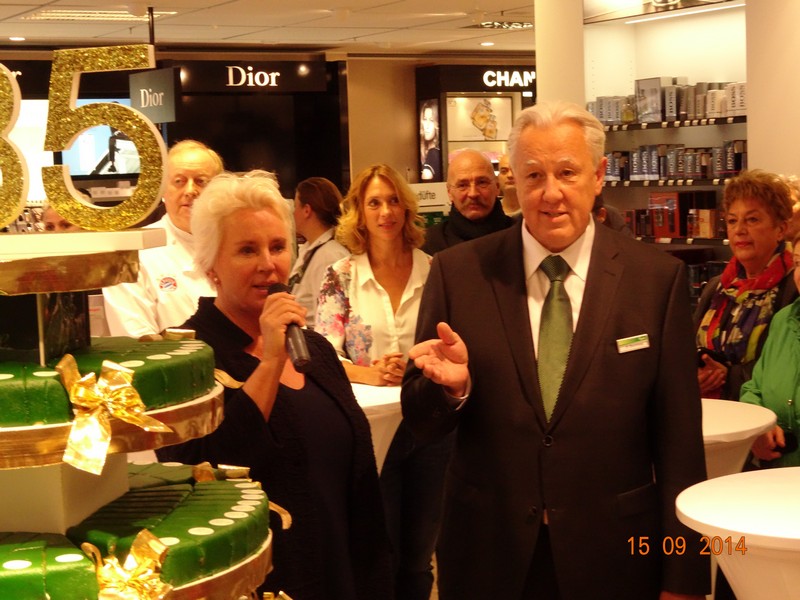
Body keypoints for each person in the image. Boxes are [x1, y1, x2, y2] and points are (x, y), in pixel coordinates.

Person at [402, 100, 709, 600]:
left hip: (617, 555)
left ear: (599, 175)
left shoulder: (656, 280)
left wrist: (685, 577)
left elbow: (678, 444)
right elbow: (420, 421)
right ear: (512, 183)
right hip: (488, 553)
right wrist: (452, 391)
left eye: (567, 172)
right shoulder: (458, 274)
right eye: (534, 175)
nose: (551, 194)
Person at [155, 170, 392, 599]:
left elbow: (354, 480)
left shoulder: (315, 350)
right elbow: (204, 477)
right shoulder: (188, 361)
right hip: (265, 583)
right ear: (211, 268)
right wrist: (268, 362)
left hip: (344, 573)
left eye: (278, 246)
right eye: (247, 250)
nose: (269, 264)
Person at [314, 164, 434, 600]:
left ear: (406, 207)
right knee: (382, 547)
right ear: (359, 214)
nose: (386, 211)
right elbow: (321, 355)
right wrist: (370, 372)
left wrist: (420, 365)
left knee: (420, 555)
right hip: (368, 431)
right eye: (374, 203)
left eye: (393, 200)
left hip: (429, 426)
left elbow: (452, 341)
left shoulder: (437, 271)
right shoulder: (340, 276)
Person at [103, 140, 224, 337]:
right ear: (162, 190)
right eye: (179, 181)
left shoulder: (238, 245)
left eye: (201, 181)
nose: (190, 191)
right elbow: (138, 341)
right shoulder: (131, 254)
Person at [694, 169, 796, 400]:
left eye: (752, 219)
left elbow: (789, 367)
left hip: (767, 424)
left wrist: (727, 377)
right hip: (711, 415)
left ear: (780, 229)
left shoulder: (793, 288)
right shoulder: (716, 287)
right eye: (732, 220)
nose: (739, 230)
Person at [742, 231, 800, 468]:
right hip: (775, 481)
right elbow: (754, 388)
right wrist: (758, 429)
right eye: (798, 263)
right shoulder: (784, 320)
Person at [422, 148, 514, 255]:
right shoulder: (431, 243)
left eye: (482, 182)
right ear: (449, 193)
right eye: (462, 185)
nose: (473, 193)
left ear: (497, 187)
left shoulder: (521, 236)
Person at [289, 177, 349, 329]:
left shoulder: (330, 256)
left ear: (307, 210)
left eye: (295, 207)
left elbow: (328, 320)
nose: (293, 214)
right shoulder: (312, 249)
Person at [419, 99, 442, 182]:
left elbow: (426, 176)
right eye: (425, 119)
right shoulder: (422, 150)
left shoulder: (434, 153)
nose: (427, 125)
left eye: (431, 120)